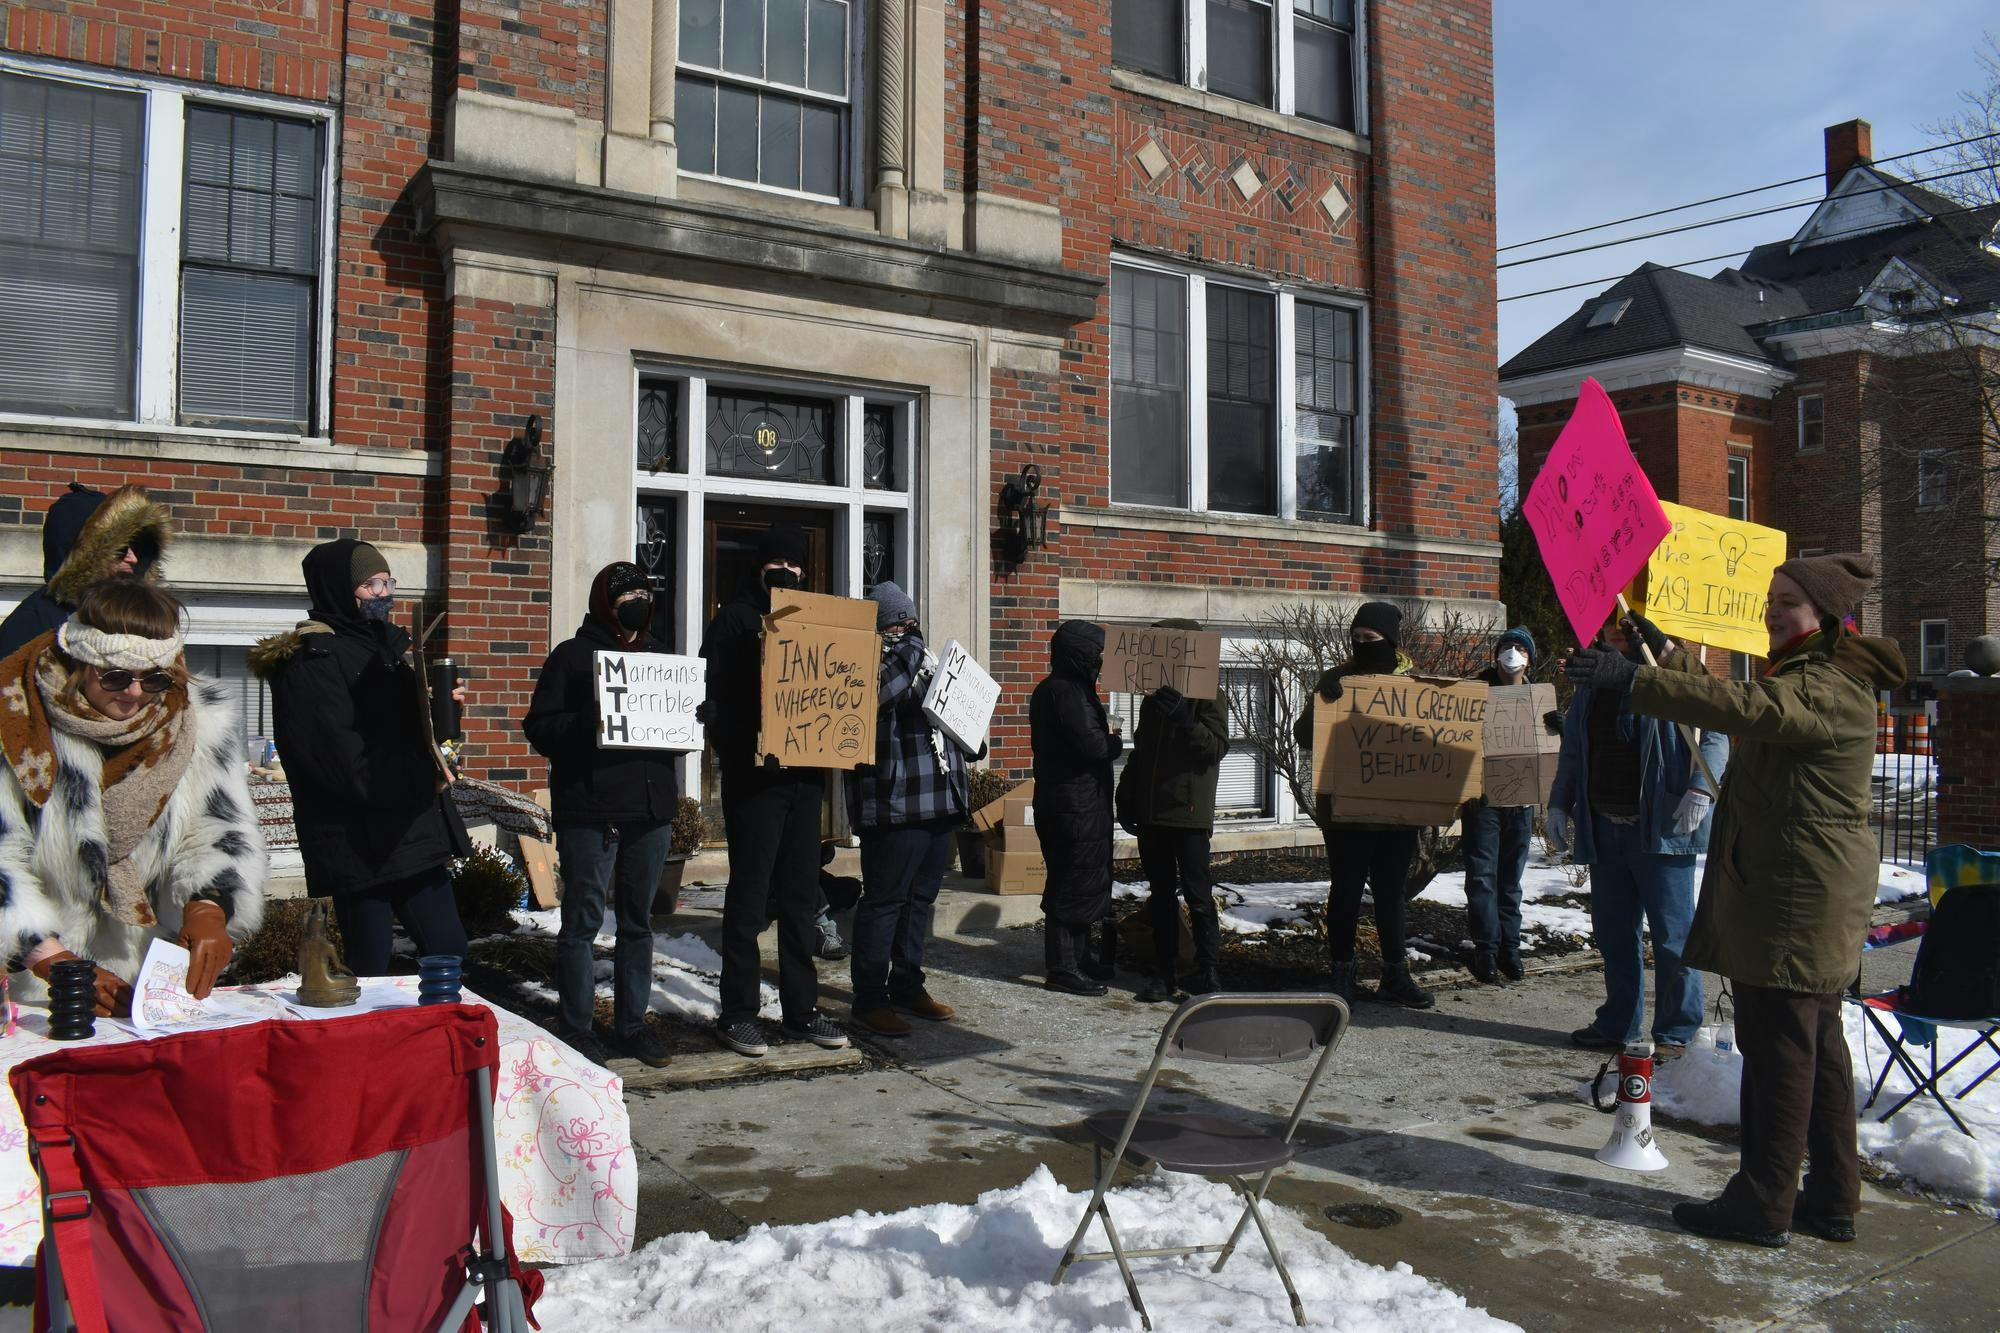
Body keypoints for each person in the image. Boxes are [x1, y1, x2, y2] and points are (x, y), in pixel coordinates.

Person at [1567, 555, 1903, 1248]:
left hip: (1794, 896)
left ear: (1828, 615)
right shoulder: (1816, 674)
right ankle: (1833, 1194)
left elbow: (1747, 708)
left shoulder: (1827, 684)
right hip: (1800, 889)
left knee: (1779, 1051)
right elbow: (1735, 697)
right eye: (1771, 599)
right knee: (1817, 1046)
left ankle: (1761, 1203)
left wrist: (1638, 680)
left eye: (1790, 602)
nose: (1773, 611)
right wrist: (1665, 655)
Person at [0, 581, 266, 1012]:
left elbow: (218, 829)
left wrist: (210, 905)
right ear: (81, 662)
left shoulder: (196, 724)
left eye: (155, 678)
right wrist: (50, 960)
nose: (135, 693)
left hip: (148, 980)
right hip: (36, 990)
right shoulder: (15, 720)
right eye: (116, 676)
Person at [253, 539, 470, 975]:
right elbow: (340, 762)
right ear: (337, 588)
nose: (384, 593)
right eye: (371, 583)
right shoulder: (310, 664)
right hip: (360, 846)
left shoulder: (382, 654)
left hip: (408, 834)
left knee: (447, 953)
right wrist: (422, 779)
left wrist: (440, 711)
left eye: (388, 582)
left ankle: (433, 1040)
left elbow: (395, 731)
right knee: (371, 967)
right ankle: (372, 1042)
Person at [1549, 618, 1728, 1058]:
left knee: (1672, 938)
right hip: (1605, 828)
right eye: (1606, 623)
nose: (1613, 629)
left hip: (1660, 833)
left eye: (1624, 623)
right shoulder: (1593, 683)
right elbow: (1574, 748)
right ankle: (1618, 1022)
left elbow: (1718, 733)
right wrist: (1558, 802)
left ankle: (1676, 1031)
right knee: (1613, 933)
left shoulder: (1673, 681)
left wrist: (1701, 788)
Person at [524, 561, 679, 1068]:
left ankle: (632, 1025)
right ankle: (578, 1027)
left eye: (644, 591)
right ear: (604, 603)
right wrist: (589, 720)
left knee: (639, 923)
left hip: (649, 810)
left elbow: (674, 726)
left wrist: (697, 716)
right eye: (626, 593)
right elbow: (541, 727)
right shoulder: (572, 657)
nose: (638, 599)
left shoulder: (660, 659)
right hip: (591, 811)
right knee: (581, 923)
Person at [700, 524, 847, 1056]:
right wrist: (745, 746)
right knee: (750, 897)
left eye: (795, 566)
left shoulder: (814, 626)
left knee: (801, 897)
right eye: (777, 565)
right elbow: (711, 700)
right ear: (759, 568)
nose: (787, 573)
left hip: (805, 780)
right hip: (756, 780)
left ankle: (801, 1012)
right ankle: (737, 1013)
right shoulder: (733, 621)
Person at [844, 581, 975, 1036]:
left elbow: (965, 734)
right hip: (894, 806)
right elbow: (882, 694)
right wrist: (911, 648)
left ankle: (907, 983)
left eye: (911, 621)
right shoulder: (865, 664)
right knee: (884, 902)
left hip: (939, 802)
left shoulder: (926, 663)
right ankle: (869, 999)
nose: (907, 629)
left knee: (920, 901)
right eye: (898, 623)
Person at [1294, 601, 1434, 1009]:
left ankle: (1395, 974)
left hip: (1396, 813)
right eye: (1355, 638)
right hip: (1346, 811)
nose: (1360, 644)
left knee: (1391, 894)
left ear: (1389, 640)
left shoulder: (1416, 685)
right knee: (1346, 892)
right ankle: (1342, 971)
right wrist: (1323, 703)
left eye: (1369, 639)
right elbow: (1305, 736)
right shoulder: (1334, 679)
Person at [1115, 619, 1229, 1004]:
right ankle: (1163, 973)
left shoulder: (1209, 693)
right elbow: (1143, 750)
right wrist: (1126, 794)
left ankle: (1208, 970)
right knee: (1160, 895)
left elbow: (1214, 748)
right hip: (1153, 813)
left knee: (1198, 895)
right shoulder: (1151, 699)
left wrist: (1186, 719)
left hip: (1189, 812)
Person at [1030, 621, 1124, 996]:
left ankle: (1080, 957)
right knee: (1071, 880)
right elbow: (1094, 747)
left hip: (1077, 801)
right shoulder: (1066, 691)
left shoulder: (1065, 688)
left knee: (1084, 878)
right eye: (1096, 653)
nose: (1101, 661)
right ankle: (1062, 967)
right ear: (1080, 654)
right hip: (1072, 803)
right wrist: (1114, 743)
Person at [1460, 626, 1544, 984]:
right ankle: (1487, 951)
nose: (1512, 653)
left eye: (1519, 648)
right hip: (1484, 800)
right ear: (1495, 654)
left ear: (1529, 658)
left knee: (1511, 880)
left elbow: (1551, 749)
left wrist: (1556, 726)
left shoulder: (1538, 699)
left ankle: (1510, 949)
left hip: (1521, 801)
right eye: (1507, 646)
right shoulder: (1476, 691)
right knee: (1482, 879)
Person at [0, 483, 169, 658]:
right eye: (120, 550)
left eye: (140, 547)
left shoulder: (143, 615)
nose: (133, 559)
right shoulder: (32, 626)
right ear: (85, 558)